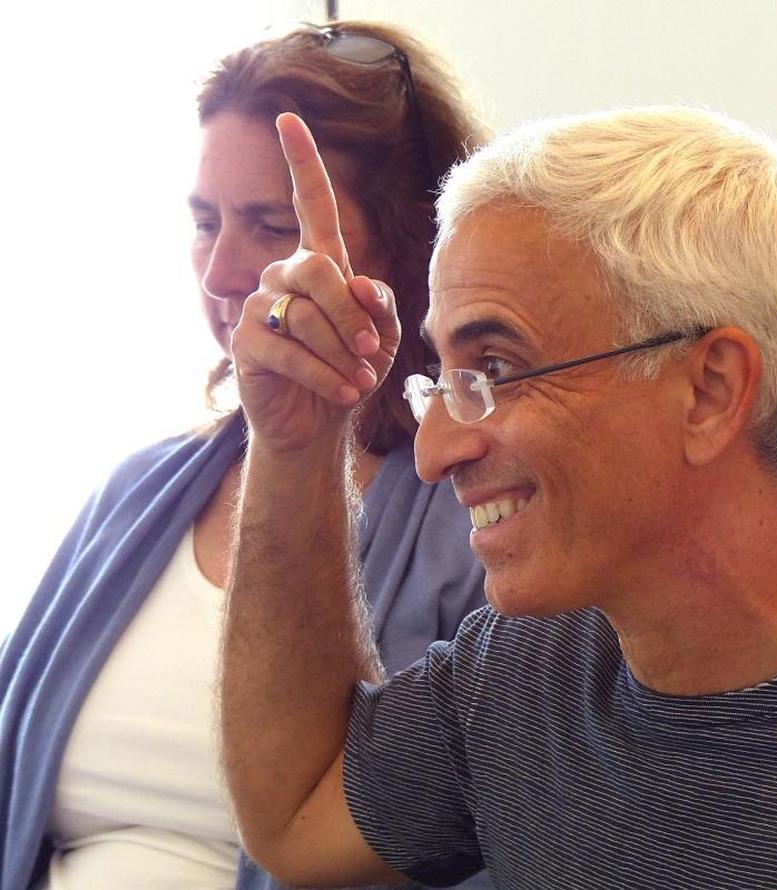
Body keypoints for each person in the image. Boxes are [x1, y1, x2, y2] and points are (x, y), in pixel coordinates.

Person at [219, 105, 777, 888]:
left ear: (709, 390)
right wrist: (296, 440)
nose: (434, 451)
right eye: (442, 380)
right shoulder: (522, 670)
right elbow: (297, 817)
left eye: (494, 368)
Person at [0, 21, 493, 890]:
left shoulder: (482, 521)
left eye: (270, 227)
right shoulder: (135, 494)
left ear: (412, 246)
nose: (223, 272)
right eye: (203, 223)